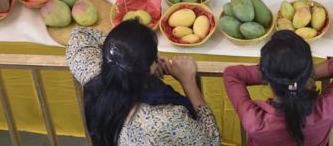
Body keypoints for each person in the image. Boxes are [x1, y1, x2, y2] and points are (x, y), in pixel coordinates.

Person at [66, 19, 221, 146]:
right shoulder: (163, 120)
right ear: (148, 69)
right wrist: (188, 82)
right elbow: (210, 141)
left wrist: (127, 57)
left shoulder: (89, 69)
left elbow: (79, 34)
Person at [223, 30, 333, 146]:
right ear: (308, 71)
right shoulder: (325, 109)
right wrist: (303, 73)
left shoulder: (254, 120)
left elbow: (231, 74)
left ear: (265, 77)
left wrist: (274, 74)